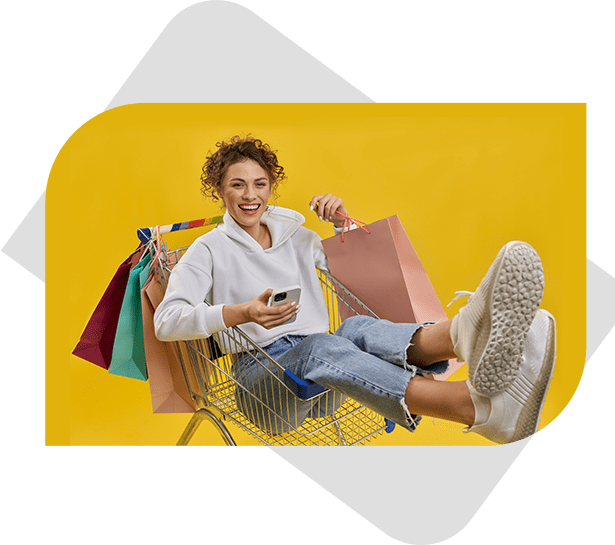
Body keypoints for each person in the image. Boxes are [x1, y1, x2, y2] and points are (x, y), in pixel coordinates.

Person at [154, 135, 556, 444]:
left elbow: (358, 272)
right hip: (265, 387)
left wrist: (341, 224)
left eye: (259, 184)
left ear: (271, 188)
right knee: (322, 346)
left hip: (330, 377)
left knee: (354, 329)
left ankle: (464, 334)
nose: (249, 195)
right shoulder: (208, 249)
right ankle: (468, 405)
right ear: (219, 191)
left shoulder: (298, 237)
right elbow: (166, 321)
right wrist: (240, 313)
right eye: (237, 185)